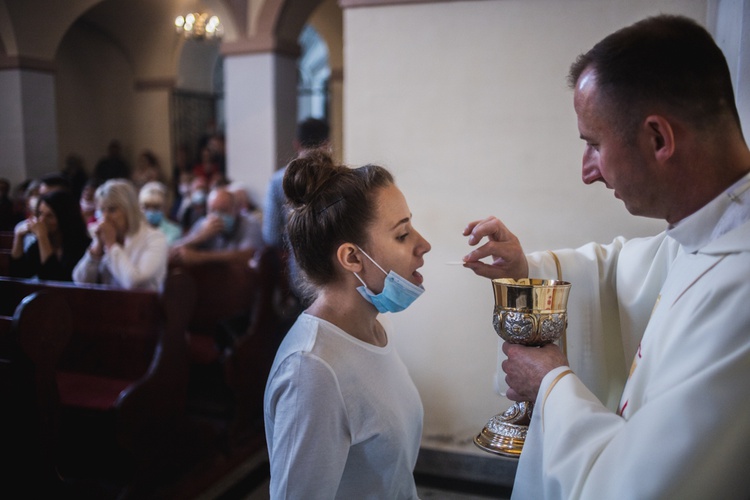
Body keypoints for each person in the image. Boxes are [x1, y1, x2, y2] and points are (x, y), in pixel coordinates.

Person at [462, 15, 750, 500]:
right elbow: (616, 271)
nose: (587, 173)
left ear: (659, 139)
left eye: (594, 144)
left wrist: (551, 384)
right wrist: (525, 270)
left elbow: (642, 486)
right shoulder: (710, 232)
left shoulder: (740, 291)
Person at [264, 150, 431, 498]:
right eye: (402, 235)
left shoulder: (370, 331)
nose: (423, 245)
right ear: (352, 257)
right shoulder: (312, 371)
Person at [262, 117, 331, 303]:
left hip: (301, 272)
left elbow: (270, 234)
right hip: (339, 271)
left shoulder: (279, 181)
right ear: (327, 144)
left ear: (296, 144)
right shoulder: (341, 179)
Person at [73, 179, 168, 291]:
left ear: (129, 210)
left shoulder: (154, 238)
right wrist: (96, 248)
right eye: (102, 210)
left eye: (112, 210)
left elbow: (134, 283)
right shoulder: (106, 236)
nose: (105, 217)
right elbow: (80, 280)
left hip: (142, 306)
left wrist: (112, 246)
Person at [169, 185, 263, 267]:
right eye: (213, 211)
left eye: (223, 210)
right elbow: (173, 251)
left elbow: (247, 255)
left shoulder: (250, 223)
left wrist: (200, 257)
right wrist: (200, 237)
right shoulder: (203, 223)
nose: (217, 216)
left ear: (236, 210)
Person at [9, 189, 90, 281]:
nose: (41, 220)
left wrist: (42, 237)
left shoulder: (82, 246)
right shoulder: (37, 246)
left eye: (50, 216)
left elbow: (54, 281)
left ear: (64, 218)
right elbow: (17, 275)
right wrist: (18, 237)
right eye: (40, 214)